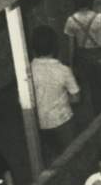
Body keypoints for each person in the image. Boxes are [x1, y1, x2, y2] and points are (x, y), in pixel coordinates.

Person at [29, 26, 81, 163]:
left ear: (33, 48)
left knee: (52, 161)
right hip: (63, 121)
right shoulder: (63, 70)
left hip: (40, 124)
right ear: (55, 46)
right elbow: (76, 98)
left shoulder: (28, 71)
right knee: (72, 158)